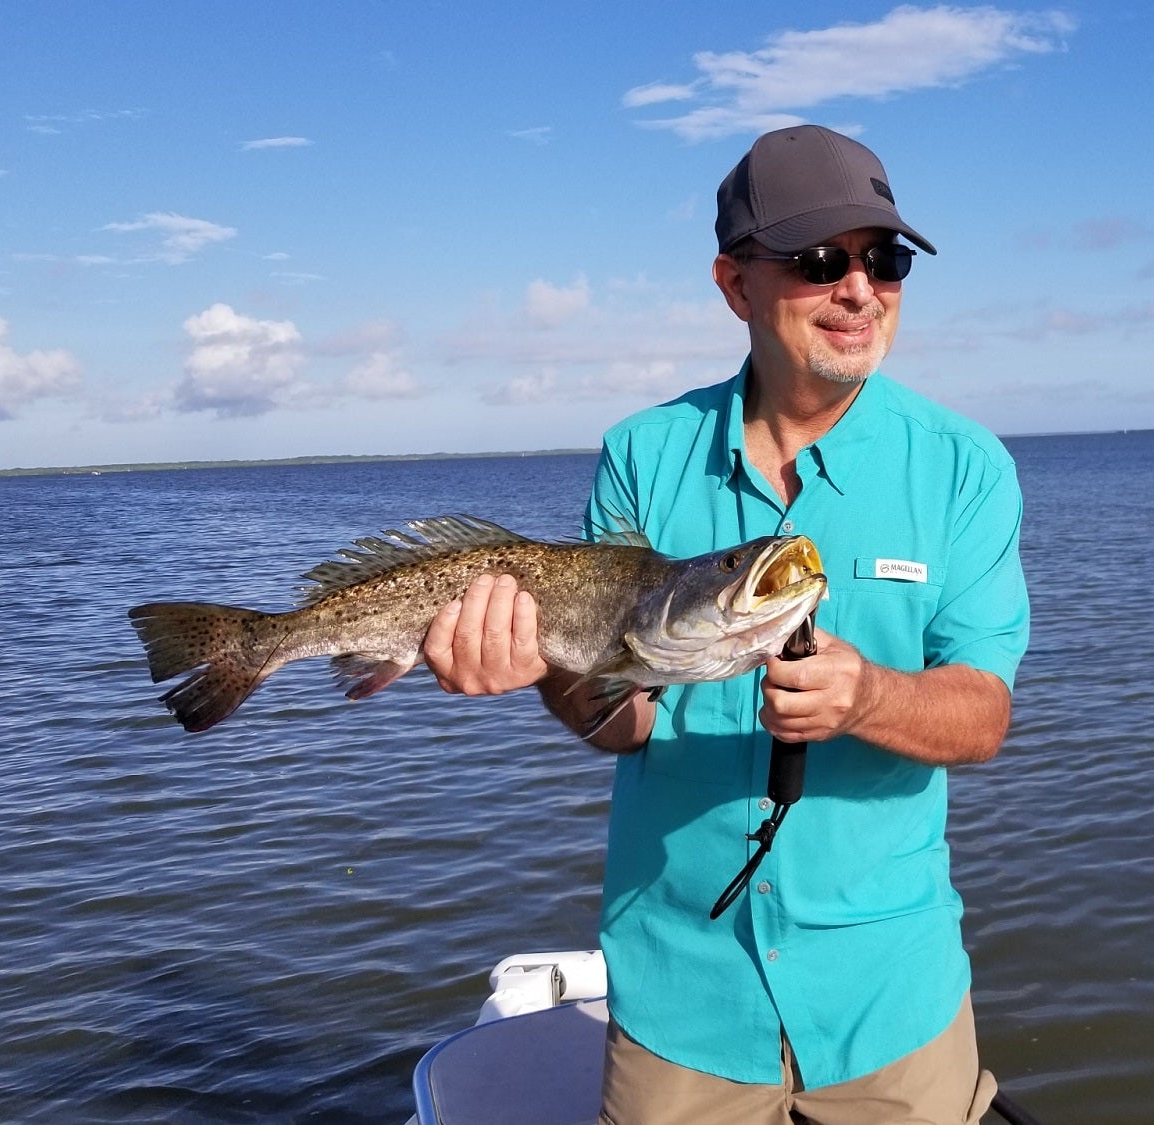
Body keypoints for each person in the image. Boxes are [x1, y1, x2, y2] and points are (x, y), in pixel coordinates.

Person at [420, 124, 1030, 1125]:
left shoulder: (964, 468)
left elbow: (982, 716)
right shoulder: (640, 457)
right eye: (817, 260)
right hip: (680, 993)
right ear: (732, 283)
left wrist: (866, 694)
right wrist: (538, 667)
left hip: (888, 998)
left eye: (883, 260)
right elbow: (624, 716)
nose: (859, 290)